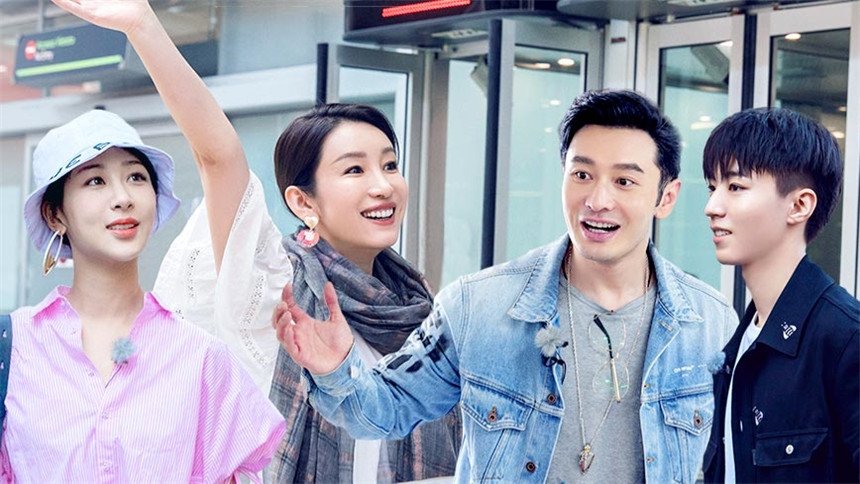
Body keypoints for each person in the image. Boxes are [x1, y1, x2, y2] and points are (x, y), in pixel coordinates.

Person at [50, 1, 461, 482]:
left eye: (390, 165)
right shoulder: (278, 288)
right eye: (354, 169)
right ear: (302, 201)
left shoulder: (419, 303)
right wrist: (142, 25)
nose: (383, 185)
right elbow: (218, 158)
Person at [275, 89, 739, 483]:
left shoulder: (711, 324)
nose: (598, 200)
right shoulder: (479, 306)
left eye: (624, 181)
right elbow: (386, 409)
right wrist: (336, 368)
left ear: (665, 197)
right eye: (582, 175)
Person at [0, 108, 285, 481]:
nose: (122, 198)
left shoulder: (201, 356)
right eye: (95, 181)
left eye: (136, 177)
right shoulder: (14, 347)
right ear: (56, 215)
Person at [701, 108, 859, 482]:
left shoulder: (844, 339)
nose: (712, 207)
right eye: (712, 187)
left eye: (735, 187)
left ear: (799, 205)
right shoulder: (738, 346)